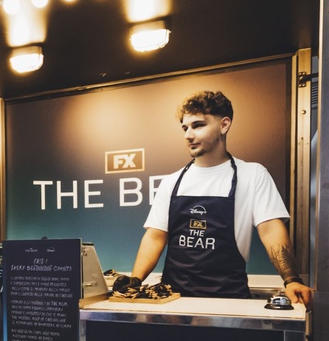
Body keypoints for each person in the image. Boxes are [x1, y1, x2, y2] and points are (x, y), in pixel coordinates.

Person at [127, 90, 313, 307]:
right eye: (185, 128)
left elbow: (271, 230)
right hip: (173, 302)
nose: (188, 135)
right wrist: (135, 280)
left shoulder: (252, 174)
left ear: (224, 125)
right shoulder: (171, 181)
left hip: (230, 302)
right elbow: (155, 237)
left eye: (198, 125)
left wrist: (291, 279)